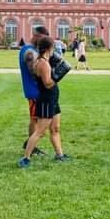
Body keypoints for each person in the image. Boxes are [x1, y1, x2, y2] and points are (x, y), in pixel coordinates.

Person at [19, 36, 70, 166]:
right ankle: (26, 158)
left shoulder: (45, 61)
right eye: (53, 47)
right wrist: (59, 75)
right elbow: (47, 84)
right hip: (46, 100)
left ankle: (59, 155)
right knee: (40, 132)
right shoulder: (42, 63)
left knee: (55, 128)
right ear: (49, 48)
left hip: (53, 99)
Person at [19, 26, 49, 158]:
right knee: (35, 119)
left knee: (35, 119)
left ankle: (30, 143)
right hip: (34, 91)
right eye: (43, 38)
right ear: (36, 36)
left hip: (36, 90)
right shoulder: (29, 52)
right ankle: (31, 146)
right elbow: (34, 73)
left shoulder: (31, 50)